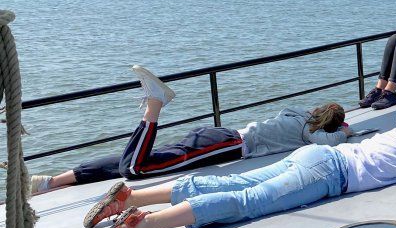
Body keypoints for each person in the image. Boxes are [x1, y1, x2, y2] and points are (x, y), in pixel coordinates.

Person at [85, 104, 396, 228]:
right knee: (248, 201)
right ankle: (144, 225)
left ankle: (131, 196)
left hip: (316, 156)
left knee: (240, 181)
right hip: (331, 175)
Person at [31, 65, 351, 194]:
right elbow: (331, 140)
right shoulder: (309, 133)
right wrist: (346, 131)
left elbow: (315, 121)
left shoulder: (294, 114)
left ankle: (51, 182)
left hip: (217, 135)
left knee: (144, 158)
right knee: (137, 169)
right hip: (226, 146)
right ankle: (155, 103)